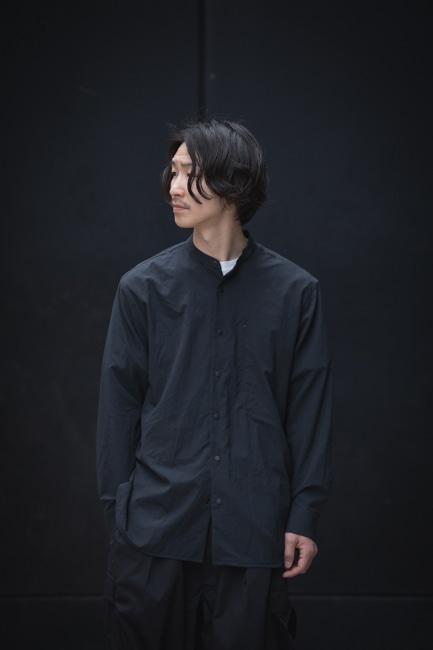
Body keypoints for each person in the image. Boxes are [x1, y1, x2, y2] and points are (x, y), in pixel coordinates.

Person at [96, 119, 332, 650]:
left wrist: (304, 514)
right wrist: (122, 520)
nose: (173, 187)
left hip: (254, 533)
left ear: (235, 184)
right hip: (153, 535)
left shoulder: (296, 292)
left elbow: (309, 413)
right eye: (173, 172)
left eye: (189, 173)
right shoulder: (142, 289)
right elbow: (119, 412)